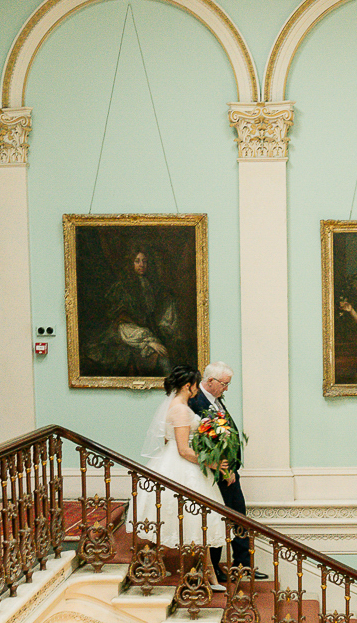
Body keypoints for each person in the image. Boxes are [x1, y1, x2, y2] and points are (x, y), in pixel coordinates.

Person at [187, 362, 264, 580]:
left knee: (239, 514)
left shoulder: (215, 399)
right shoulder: (194, 402)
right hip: (213, 472)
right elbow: (200, 441)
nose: (226, 389)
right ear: (209, 381)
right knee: (216, 518)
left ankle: (243, 565)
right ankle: (213, 567)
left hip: (229, 470)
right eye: (224, 384)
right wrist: (221, 468)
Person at [140, 364, 223, 550]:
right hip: (182, 464)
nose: (197, 388)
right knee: (195, 516)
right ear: (188, 385)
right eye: (195, 384)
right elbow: (183, 450)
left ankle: (202, 569)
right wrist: (212, 463)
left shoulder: (176, 405)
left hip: (170, 460)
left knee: (183, 516)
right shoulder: (181, 409)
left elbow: (167, 439)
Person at [91, 247, 179, 377]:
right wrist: (148, 341)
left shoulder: (151, 285)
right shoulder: (122, 287)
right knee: (158, 358)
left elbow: (152, 314)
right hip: (126, 335)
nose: (141, 265)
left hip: (146, 332)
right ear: (131, 263)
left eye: (144, 261)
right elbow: (121, 322)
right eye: (137, 261)